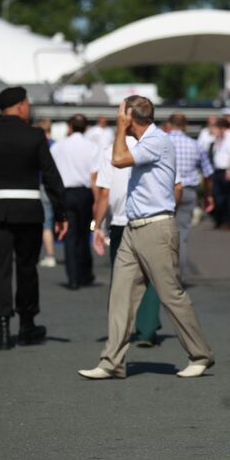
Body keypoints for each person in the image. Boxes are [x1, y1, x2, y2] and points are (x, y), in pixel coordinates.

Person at [77, 95, 214, 380]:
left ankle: (200, 354)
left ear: (129, 117)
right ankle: (112, 361)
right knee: (120, 295)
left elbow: (118, 160)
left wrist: (119, 127)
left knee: (170, 294)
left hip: (155, 227)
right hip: (133, 227)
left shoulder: (157, 141)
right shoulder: (145, 141)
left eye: (120, 115)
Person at [0, 86, 68, 349]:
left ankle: (3, 328)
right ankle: (27, 324)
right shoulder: (35, 136)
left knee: (0, 268)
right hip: (29, 210)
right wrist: (61, 213)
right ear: (20, 106)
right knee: (26, 268)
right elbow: (52, 176)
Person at [91, 137, 163, 348]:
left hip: (121, 220)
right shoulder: (156, 144)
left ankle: (121, 329)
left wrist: (97, 225)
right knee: (151, 274)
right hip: (151, 218)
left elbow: (104, 192)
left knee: (122, 277)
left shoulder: (110, 149)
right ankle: (147, 328)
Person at [50, 114, 99, 289]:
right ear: (86, 127)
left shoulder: (58, 147)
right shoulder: (92, 147)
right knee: (84, 234)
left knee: (69, 235)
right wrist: (97, 201)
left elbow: (52, 173)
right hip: (85, 193)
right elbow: (95, 177)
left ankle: (72, 277)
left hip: (65, 193)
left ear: (70, 126)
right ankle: (85, 273)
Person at [166, 112, 214, 275]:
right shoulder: (195, 145)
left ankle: (163, 275)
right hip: (188, 191)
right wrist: (208, 195)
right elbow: (208, 173)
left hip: (165, 191)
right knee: (182, 235)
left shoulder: (162, 142)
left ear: (169, 124)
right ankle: (178, 275)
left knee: (162, 235)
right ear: (184, 126)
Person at [210, 118, 230, 229]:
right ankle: (220, 219)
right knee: (218, 196)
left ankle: (229, 222)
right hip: (218, 170)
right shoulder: (219, 138)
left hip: (227, 169)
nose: (213, 131)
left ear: (222, 128)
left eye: (216, 128)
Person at [35, 119, 57, 267]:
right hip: (58, 186)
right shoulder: (57, 144)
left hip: (43, 185)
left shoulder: (40, 145)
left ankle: (50, 255)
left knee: (46, 223)